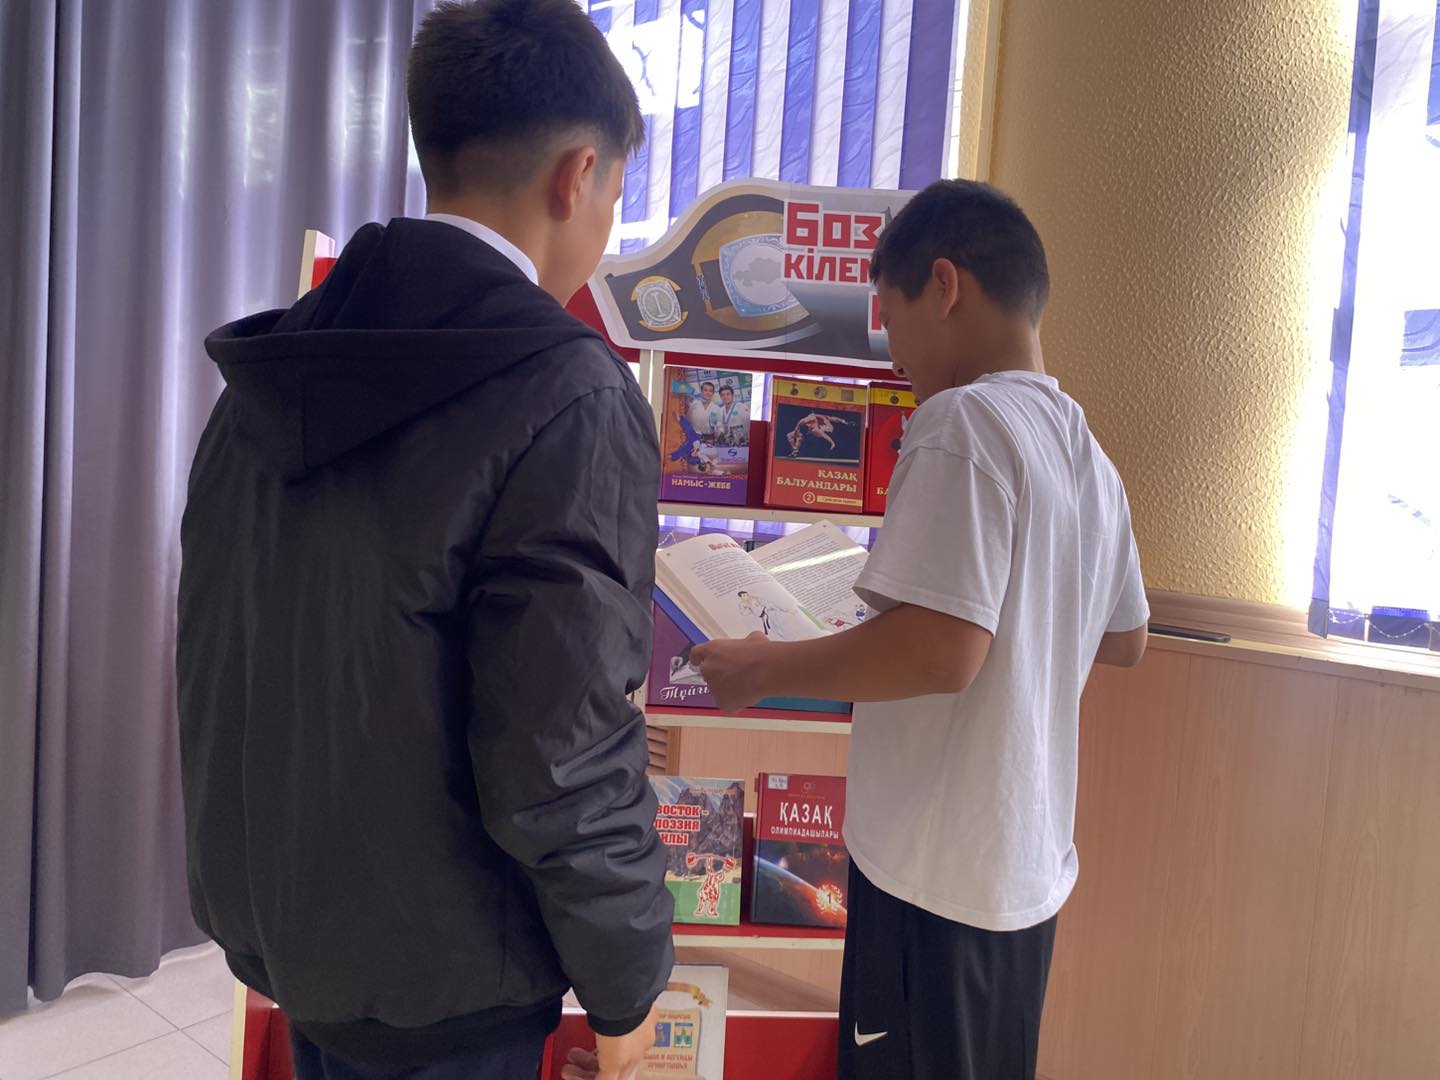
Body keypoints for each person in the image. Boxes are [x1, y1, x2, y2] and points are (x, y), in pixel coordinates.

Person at [177, 3, 672, 1079]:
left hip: (298, 933)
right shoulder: (568, 393)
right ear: (578, 176)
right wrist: (629, 980)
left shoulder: (278, 364)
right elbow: (563, 747)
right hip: (457, 979)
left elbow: (227, 646)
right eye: (615, 197)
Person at [694, 179, 1149, 1080]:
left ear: (945, 286)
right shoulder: (1085, 452)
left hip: (932, 877)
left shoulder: (963, 419)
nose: (892, 349)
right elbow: (1126, 637)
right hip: (1021, 874)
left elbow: (943, 651)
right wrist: (1032, 624)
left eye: (890, 314)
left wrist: (763, 669)